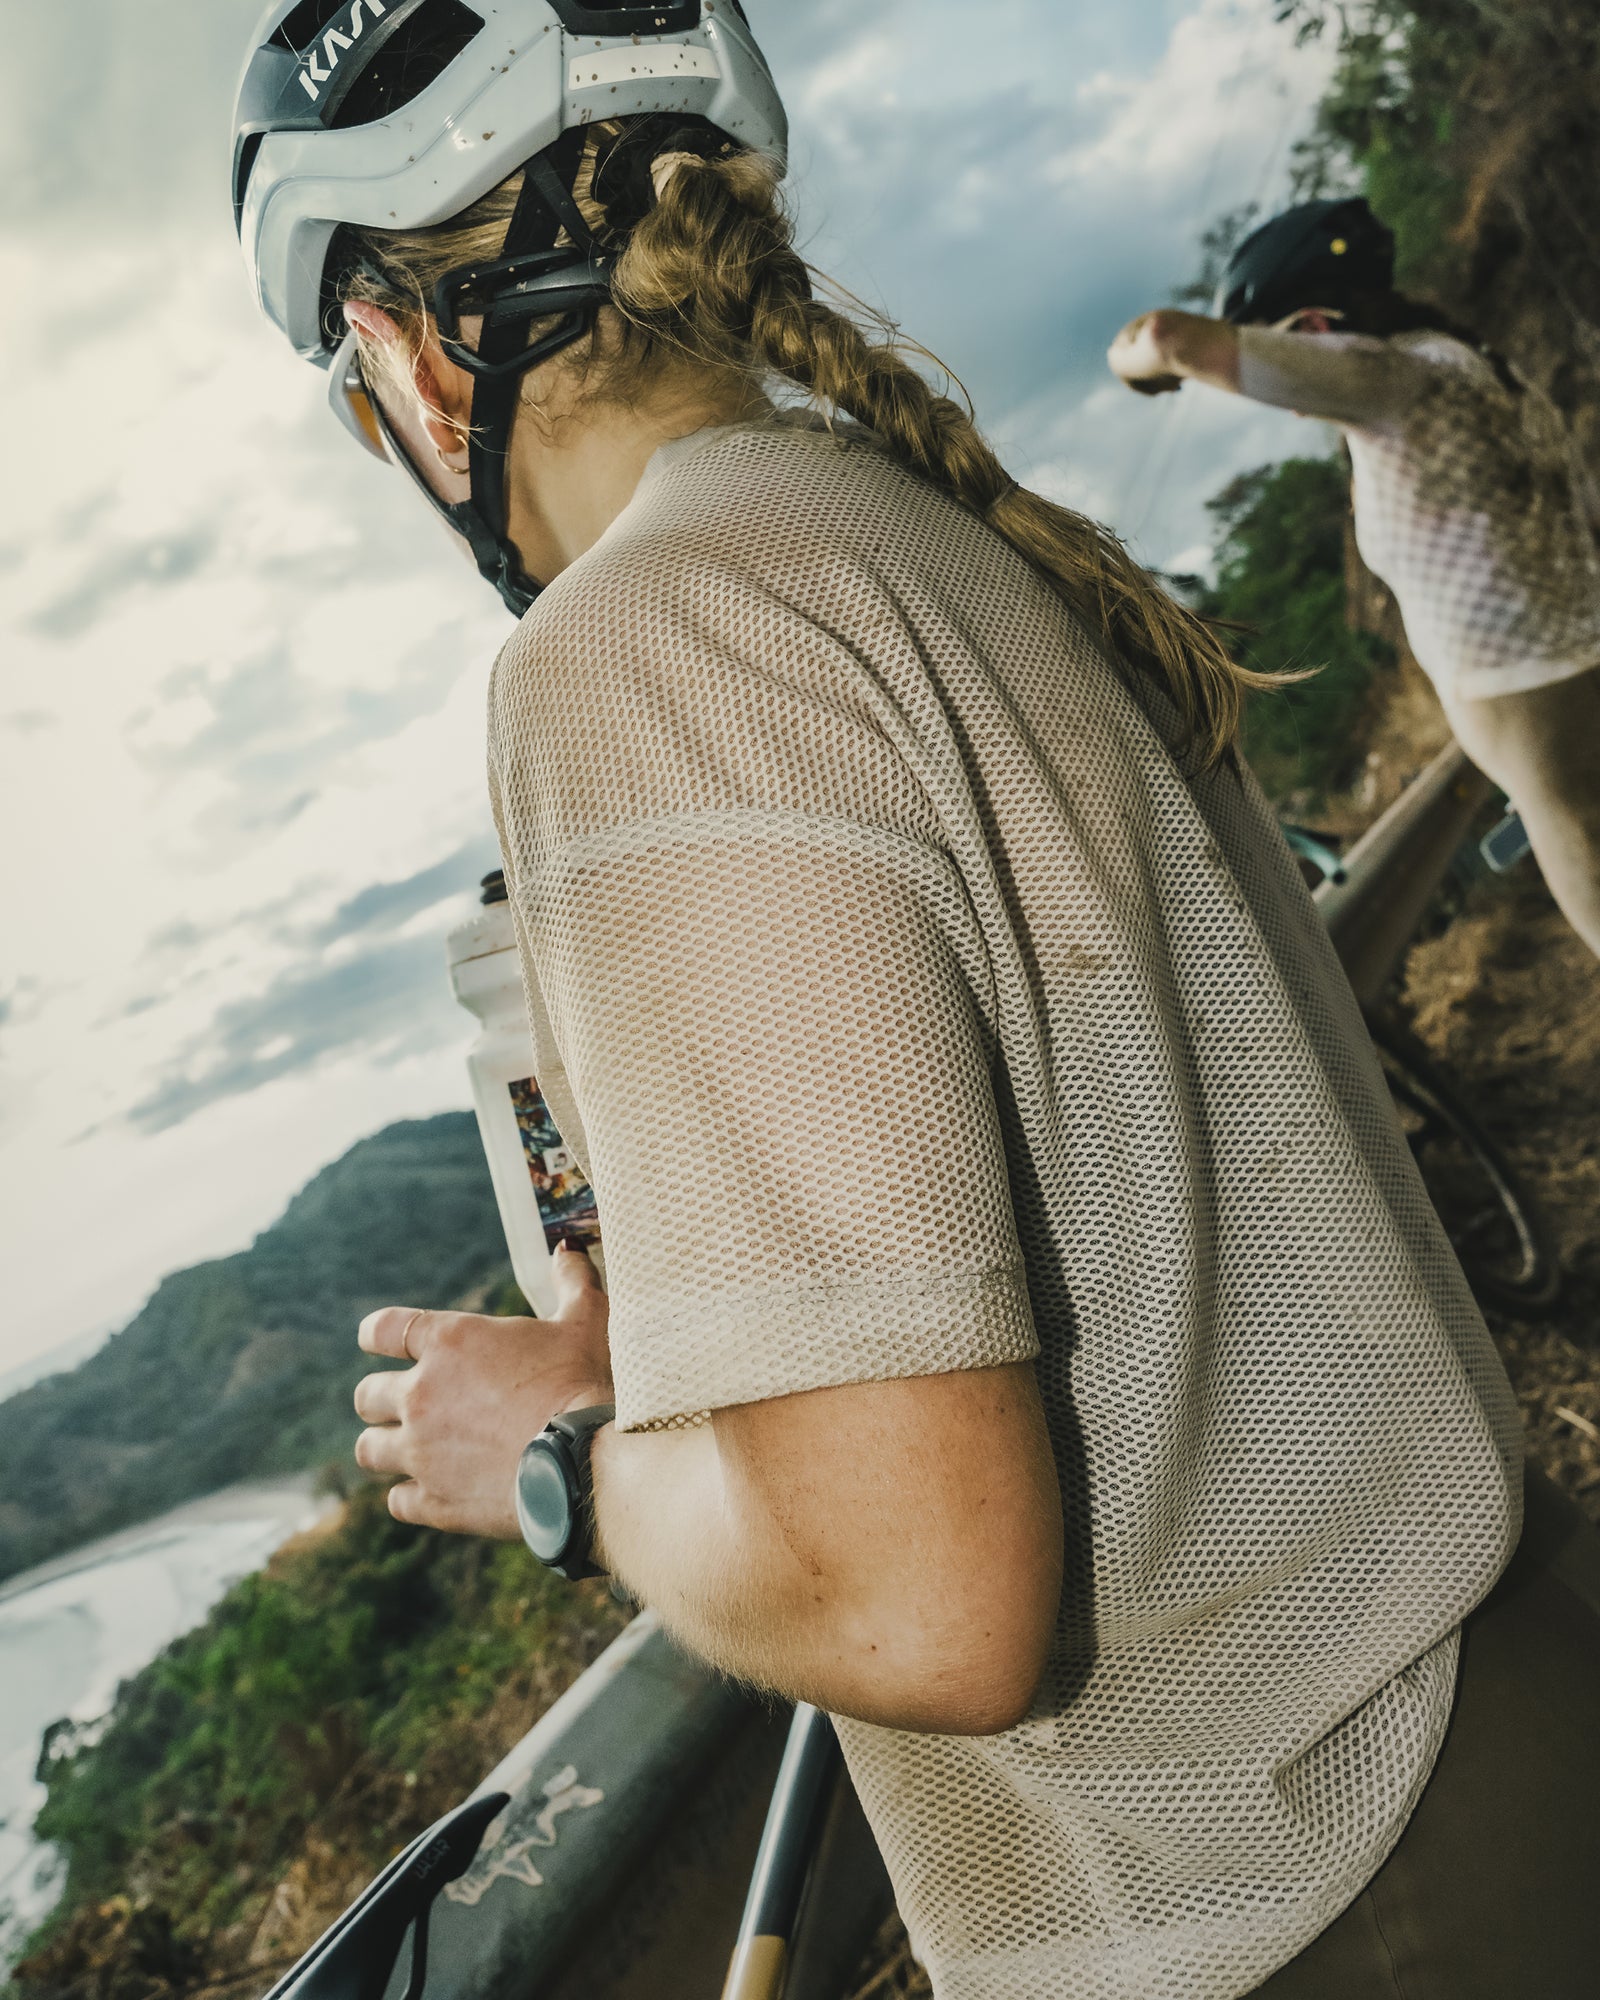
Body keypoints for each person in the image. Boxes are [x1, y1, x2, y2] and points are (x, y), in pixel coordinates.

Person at [234, 9, 1600, 1995]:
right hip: (1485, 1708)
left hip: (1305, 1888)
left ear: (414, 359)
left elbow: (919, 1590)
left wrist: (564, 1460)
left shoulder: (640, 645)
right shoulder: (923, 529)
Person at [1108, 196, 1600, 957]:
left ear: (1313, 327)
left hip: (1522, 697)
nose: (1291, 406)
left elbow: (1165, 339)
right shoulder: (1479, 368)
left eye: (1282, 352)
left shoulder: (1381, 376)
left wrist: (1130, 368)